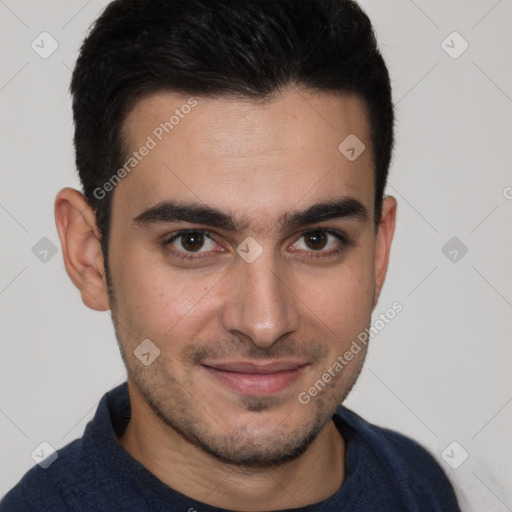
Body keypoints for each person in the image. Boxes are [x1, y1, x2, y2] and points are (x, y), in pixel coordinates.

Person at [0, 0, 461, 510]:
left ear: (378, 251)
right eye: (193, 241)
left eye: (316, 239)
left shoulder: (422, 487)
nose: (265, 323)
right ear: (90, 256)